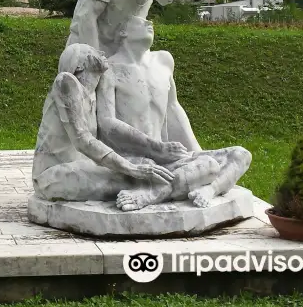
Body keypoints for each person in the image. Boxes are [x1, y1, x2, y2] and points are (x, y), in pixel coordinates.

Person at [98, 16, 252, 211]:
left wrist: (195, 152)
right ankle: (153, 193)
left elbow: (173, 109)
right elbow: (106, 122)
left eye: (150, 21)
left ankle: (208, 190)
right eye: (140, 21)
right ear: (122, 31)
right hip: (136, 159)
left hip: (169, 157)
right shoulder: (109, 69)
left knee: (240, 155)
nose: (150, 23)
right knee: (210, 166)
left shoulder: (163, 61)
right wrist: (156, 148)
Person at [32, 44, 176, 202]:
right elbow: (82, 139)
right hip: (52, 176)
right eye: (90, 51)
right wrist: (131, 168)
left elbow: (107, 131)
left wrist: (149, 151)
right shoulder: (66, 82)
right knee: (133, 177)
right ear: (78, 65)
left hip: (81, 166)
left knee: (148, 165)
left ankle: (166, 190)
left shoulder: (93, 94)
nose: (100, 51)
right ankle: (152, 196)